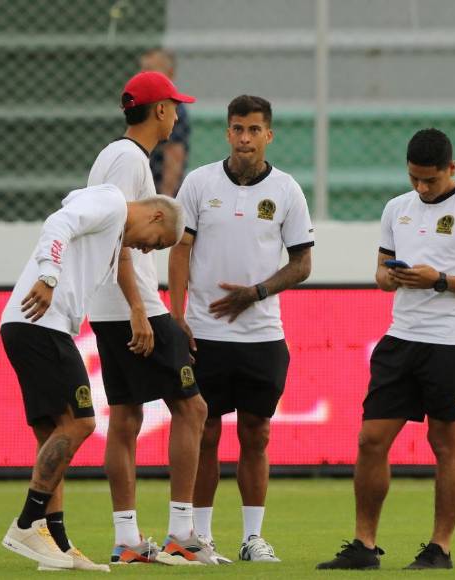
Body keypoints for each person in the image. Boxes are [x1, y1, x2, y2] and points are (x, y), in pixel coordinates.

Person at [317, 128, 455, 571]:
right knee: (370, 440)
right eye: (414, 179)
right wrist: (392, 278)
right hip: (401, 338)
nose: (421, 188)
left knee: (445, 444)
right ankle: (364, 545)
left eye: (430, 181)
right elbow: (381, 273)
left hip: (449, 344)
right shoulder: (396, 209)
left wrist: (439, 279)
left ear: (451, 170)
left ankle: (440, 547)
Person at [0, 184, 184, 572]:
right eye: (157, 243)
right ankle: (26, 523)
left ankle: (57, 545)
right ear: (155, 216)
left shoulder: (112, 237)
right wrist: (48, 276)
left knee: (53, 432)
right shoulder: (111, 202)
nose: (149, 250)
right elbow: (58, 222)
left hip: (31, 325)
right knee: (82, 421)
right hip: (41, 325)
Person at [169, 94, 314, 563]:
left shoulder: (287, 190)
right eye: (237, 128)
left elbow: (302, 263)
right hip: (205, 333)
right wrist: (177, 313)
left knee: (257, 433)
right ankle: (201, 536)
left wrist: (257, 292)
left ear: (269, 134)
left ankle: (253, 538)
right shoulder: (198, 183)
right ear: (227, 132)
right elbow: (179, 250)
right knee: (206, 431)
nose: (245, 138)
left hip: (262, 334)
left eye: (254, 130)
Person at [87, 71, 221, 565]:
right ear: (160, 109)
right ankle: (182, 535)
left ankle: (127, 540)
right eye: (174, 105)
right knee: (193, 408)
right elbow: (120, 236)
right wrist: (142, 309)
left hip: (109, 305)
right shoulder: (129, 161)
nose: (178, 114)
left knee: (126, 416)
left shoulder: (112, 155)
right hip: (131, 303)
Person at [140, 48, 192, 197]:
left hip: (158, 194)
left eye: (149, 70)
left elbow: (174, 156)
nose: (143, 75)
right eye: (142, 69)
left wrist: (164, 199)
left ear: (170, 75)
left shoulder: (173, 110)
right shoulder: (144, 106)